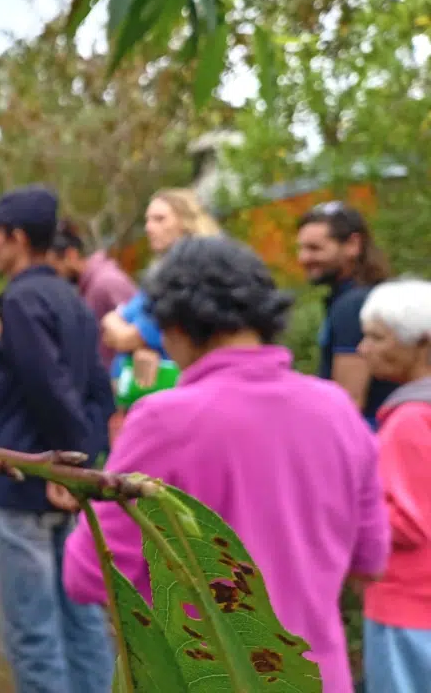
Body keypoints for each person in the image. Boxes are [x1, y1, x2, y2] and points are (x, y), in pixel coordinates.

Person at [61, 236, 390, 693]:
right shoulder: (338, 411)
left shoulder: (164, 421)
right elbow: (371, 560)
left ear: (174, 325)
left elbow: (89, 573)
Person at [0, 185, 116, 693]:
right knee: (81, 619)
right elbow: (99, 390)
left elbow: (46, 384)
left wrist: (64, 465)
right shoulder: (72, 301)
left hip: (30, 482)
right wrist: (84, 461)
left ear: (17, 238)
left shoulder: (23, 299)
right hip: (66, 490)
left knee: (34, 634)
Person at [356, 279, 431, 692]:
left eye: (377, 337)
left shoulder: (409, 419)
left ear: (421, 343)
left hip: (408, 606)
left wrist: (343, 506)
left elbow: (407, 522)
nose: (364, 349)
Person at [100, 189, 220, 424]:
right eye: (147, 219)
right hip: (139, 405)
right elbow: (110, 326)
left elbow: (125, 336)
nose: (148, 227)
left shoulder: (191, 277)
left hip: (176, 406)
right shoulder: (159, 274)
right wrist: (133, 342)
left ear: (186, 222)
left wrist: (129, 337)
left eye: (159, 219)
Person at [297, 201, 397, 428]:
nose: (303, 258)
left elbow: (348, 402)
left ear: (353, 244)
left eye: (314, 248)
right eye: (301, 248)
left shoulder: (353, 306)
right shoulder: (377, 295)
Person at [46, 220, 137, 372]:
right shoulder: (86, 288)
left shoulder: (107, 282)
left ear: (71, 255)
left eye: (54, 267)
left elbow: (141, 332)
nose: (54, 276)